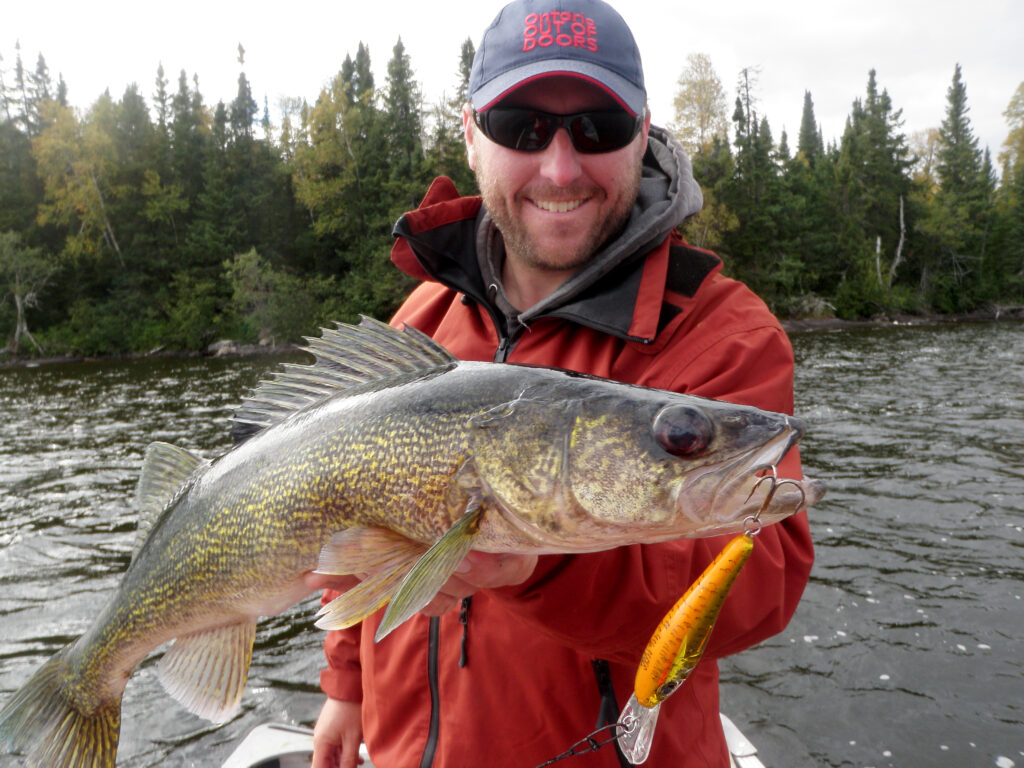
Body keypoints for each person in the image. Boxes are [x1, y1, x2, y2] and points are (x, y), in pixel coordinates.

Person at [308, 0, 814, 766]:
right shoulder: (421, 320)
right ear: (472, 134)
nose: (560, 168)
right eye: (522, 127)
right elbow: (343, 515)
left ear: (642, 133)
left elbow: (762, 578)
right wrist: (345, 685)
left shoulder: (722, 332)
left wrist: (542, 558)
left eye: (598, 129)